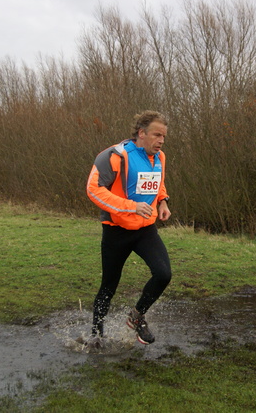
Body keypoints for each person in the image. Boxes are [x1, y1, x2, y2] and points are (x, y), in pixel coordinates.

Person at [85, 110, 172, 345]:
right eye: (157, 135)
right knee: (109, 286)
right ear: (141, 133)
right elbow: (94, 190)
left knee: (163, 274)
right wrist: (130, 206)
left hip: (145, 230)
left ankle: (137, 316)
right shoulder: (115, 155)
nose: (161, 141)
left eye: (164, 136)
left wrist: (162, 201)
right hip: (116, 230)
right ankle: (96, 336)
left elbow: (158, 182)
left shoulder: (160, 157)